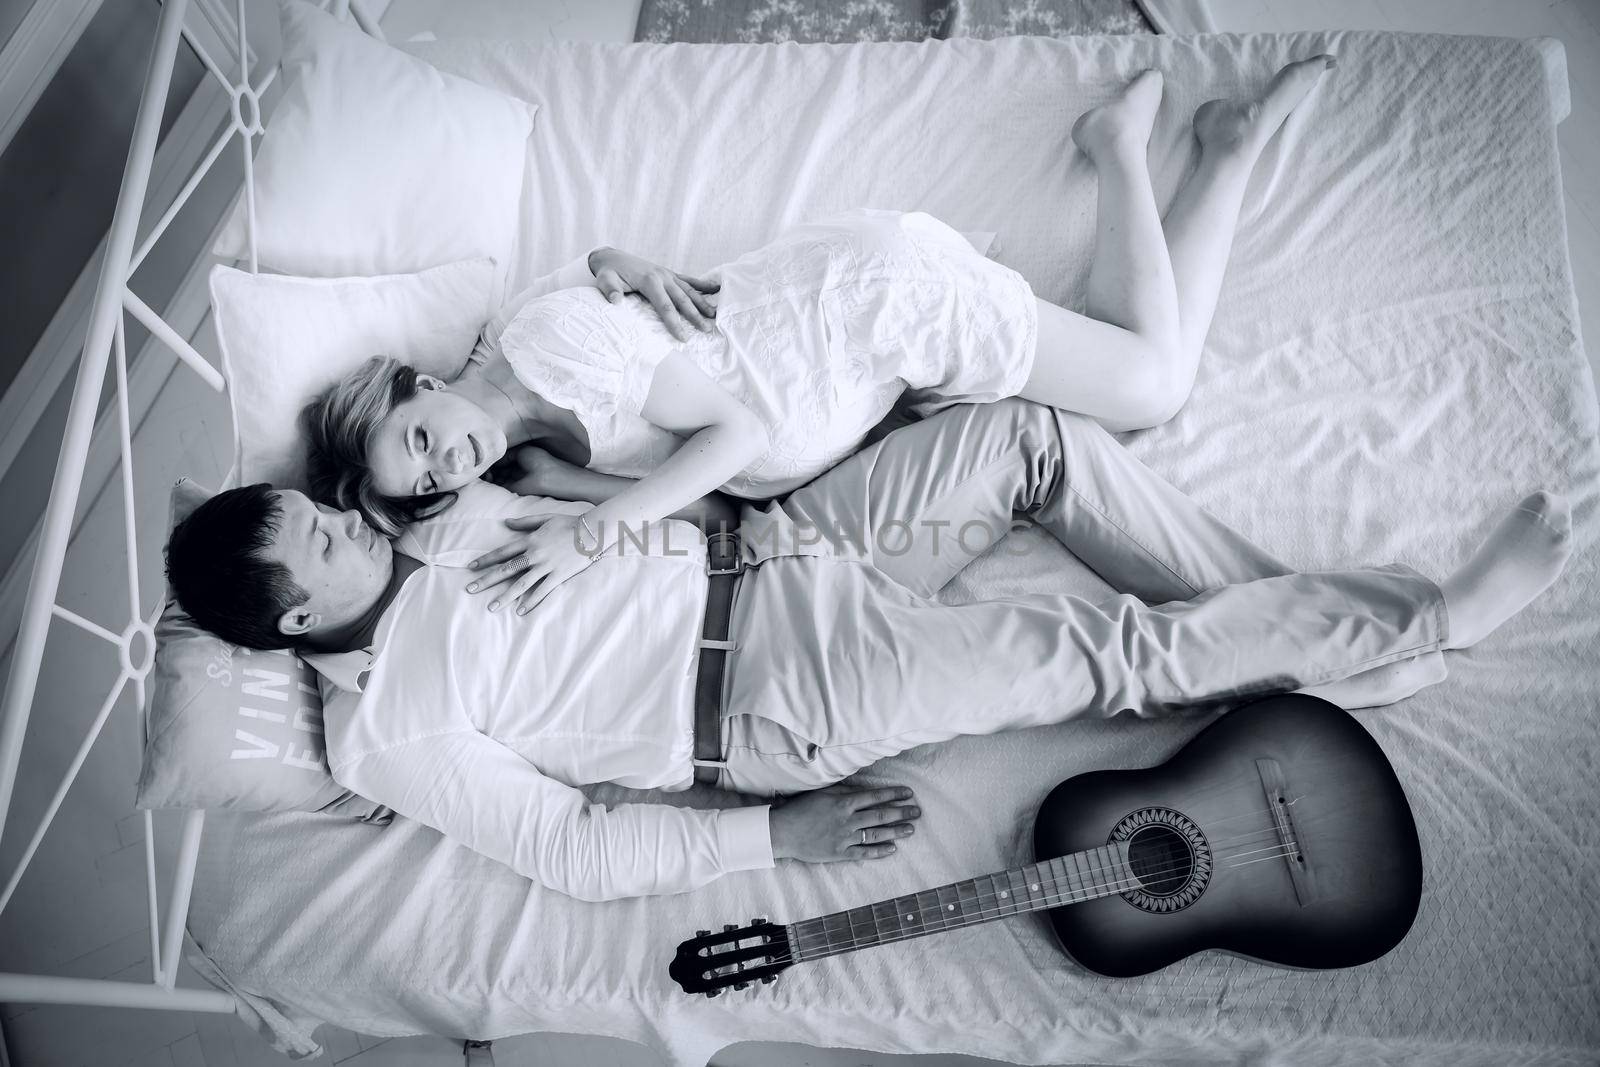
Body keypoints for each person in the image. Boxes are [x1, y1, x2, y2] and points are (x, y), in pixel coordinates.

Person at [164, 399, 1571, 902]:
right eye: (323, 540)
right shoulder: (385, 731)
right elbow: (575, 849)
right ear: (295, 621)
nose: (352, 522)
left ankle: (1341, 642)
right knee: (1111, 650)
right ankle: (1428, 616)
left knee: (1024, 437)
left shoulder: (438, 518)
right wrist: (780, 833)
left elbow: (579, 464)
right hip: (778, 690)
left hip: (779, 539)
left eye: (324, 503)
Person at [302, 57, 1337, 613]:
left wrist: (587, 537)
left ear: (415, 386)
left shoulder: (546, 360)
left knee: (1153, 385)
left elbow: (735, 442)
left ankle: (1168, 154)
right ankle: (1190, 150)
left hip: (874, 306)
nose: (447, 464)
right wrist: (568, 489)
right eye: (430, 484)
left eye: (419, 441)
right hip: (850, 331)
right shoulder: (530, 421)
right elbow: (698, 488)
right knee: (1122, 354)